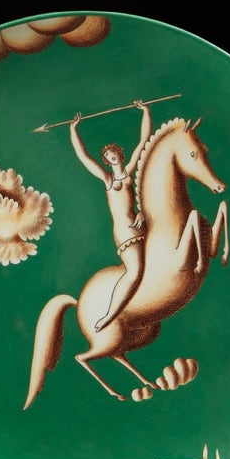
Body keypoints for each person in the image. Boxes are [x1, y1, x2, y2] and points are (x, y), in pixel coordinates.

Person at [69, 100, 152, 332]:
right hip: (125, 232)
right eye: (107, 154)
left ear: (119, 154)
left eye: (112, 152)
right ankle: (109, 316)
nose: (110, 155)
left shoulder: (129, 173)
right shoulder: (108, 180)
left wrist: (145, 111)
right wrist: (73, 130)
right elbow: (84, 157)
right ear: (106, 160)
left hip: (139, 225)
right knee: (134, 273)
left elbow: (144, 140)